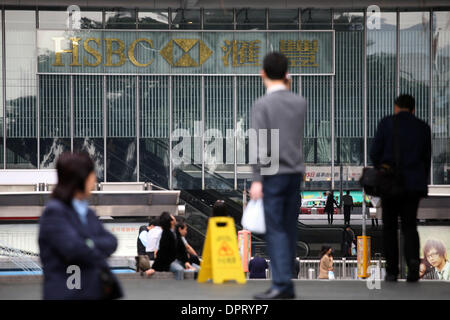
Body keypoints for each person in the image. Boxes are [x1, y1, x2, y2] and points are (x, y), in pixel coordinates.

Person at [249, 52, 306, 300]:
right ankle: (287, 284)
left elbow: (260, 144)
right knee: (289, 229)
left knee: (275, 230)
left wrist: (257, 178)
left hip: (273, 173)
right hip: (295, 173)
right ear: (286, 74)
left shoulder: (262, 105)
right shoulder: (300, 102)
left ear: (262, 73)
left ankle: (281, 285)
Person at [38, 152, 121, 300]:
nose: (94, 180)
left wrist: (86, 243)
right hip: (65, 295)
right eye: (92, 174)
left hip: (92, 293)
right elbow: (74, 250)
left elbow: (112, 242)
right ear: (80, 178)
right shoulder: (54, 212)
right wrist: (92, 244)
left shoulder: (87, 212)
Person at [370, 94, 432, 282]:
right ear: (413, 109)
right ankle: (413, 265)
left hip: (390, 184)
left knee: (389, 227)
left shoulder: (387, 123)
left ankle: (391, 270)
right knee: (409, 226)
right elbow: (425, 159)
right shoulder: (423, 128)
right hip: (412, 186)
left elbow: (374, 153)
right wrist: (422, 184)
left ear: (396, 107)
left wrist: (384, 167)